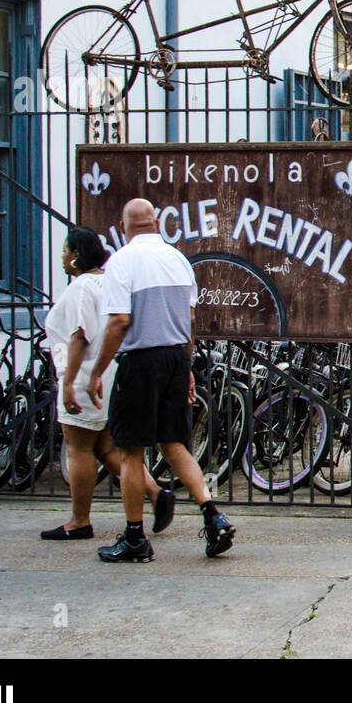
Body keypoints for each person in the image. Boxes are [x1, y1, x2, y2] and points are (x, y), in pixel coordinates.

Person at [88, 199, 236, 562]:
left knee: (131, 452)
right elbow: (190, 321)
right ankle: (212, 515)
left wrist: (96, 370)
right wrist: (186, 366)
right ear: (156, 223)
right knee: (174, 444)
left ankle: (135, 537)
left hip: (141, 362)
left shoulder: (122, 262)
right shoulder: (178, 260)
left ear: (124, 226)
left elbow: (120, 321)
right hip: (174, 357)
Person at [40, 227, 174, 541]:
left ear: (75, 256)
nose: (61, 257)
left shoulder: (81, 288)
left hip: (86, 375)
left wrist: (70, 382)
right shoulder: (113, 283)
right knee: (107, 447)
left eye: (64, 251)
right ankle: (155, 492)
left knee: (79, 448)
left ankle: (79, 520)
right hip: (112, 374)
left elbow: (79, 336)